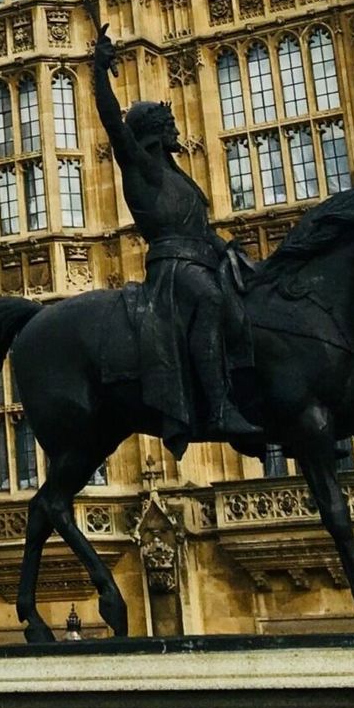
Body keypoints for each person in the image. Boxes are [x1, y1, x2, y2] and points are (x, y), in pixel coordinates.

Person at [93, 28, 261, 456]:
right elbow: (113, 123)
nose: (175, 131)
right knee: (209, 301)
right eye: (168, 125)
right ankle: (219, 408)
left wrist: (228, 250)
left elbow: (201, 231)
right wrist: (99, 71)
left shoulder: (178, 179)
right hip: (173, 268)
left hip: (204, 258)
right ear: (152, 132)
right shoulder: (142, 171)